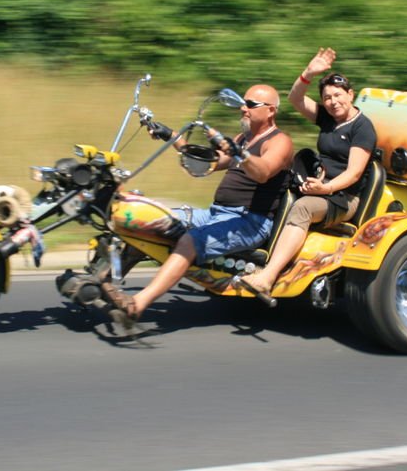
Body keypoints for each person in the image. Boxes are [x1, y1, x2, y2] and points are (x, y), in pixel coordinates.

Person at [102, 84, 294, 326]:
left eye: (251, 105)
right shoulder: (242, 139)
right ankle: (102, 283)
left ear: (271, 111)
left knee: (189, 241)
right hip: (216, 213)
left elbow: (263, 172)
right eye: (243, 102)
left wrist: (238, 152)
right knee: (150, 221)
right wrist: (169, 135)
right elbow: (204, 161)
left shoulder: (279, 141)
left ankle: (137, 305)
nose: (243, 108)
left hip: (249, 222)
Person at [240, 48, 377, 296]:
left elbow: (354, 174)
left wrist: (325, 189)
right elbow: (295, 99)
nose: (333, 102)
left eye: (338, 95)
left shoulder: (362, 128)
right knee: (276, 184)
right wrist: (308, 73)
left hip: (344, 197)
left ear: (351, 95)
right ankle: (249, 255)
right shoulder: (328, 118)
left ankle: (267, 277)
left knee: (303, 207)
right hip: (319, 186)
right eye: (327, 97)